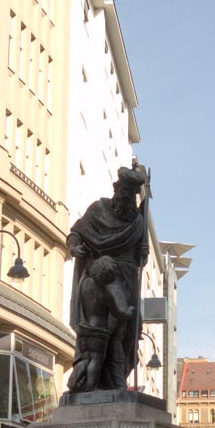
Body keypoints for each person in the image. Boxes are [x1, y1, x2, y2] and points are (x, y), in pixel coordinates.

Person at [67, 166, 148, 392]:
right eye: (124, 191)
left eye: (131, 194)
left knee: (126, 336)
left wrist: (143, 254)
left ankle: (112, 382)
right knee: (106, 332)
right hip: (101, 274)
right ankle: (105, 384)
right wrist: (74, 248)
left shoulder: (138, 221)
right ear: (116, 188)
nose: (126, 197)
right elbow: (76, 233)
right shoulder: (98, 209)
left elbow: (142, 256)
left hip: (128, 278)